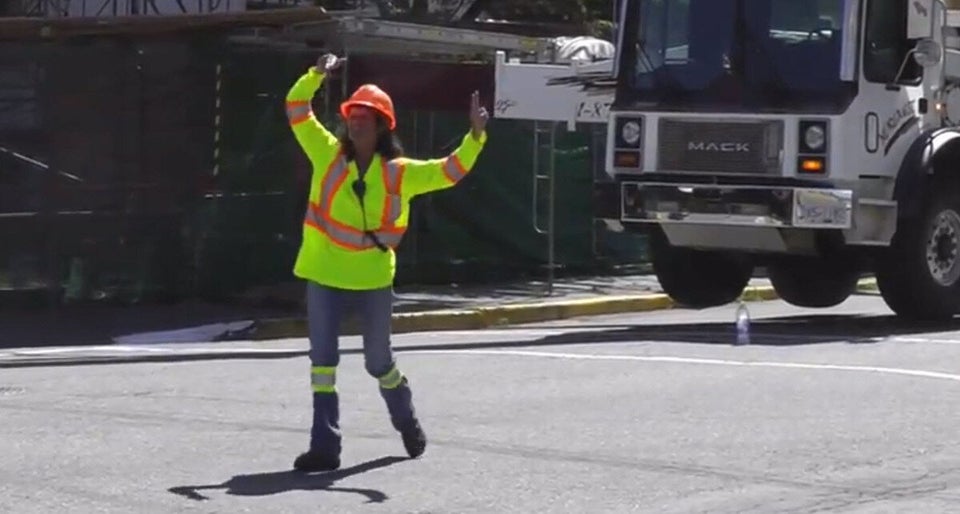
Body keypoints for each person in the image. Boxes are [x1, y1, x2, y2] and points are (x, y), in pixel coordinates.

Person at [284, 53, 489, 472]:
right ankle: (325, 447)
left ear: (381, 127)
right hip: (323, 274)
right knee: (322, 365)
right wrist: (316, 75)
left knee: (379, 363)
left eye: (367, 116)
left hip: (372, 279)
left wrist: (475, 136)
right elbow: (296, 108)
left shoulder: (397, 174)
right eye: (353, 114)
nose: (357, 121)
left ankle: (406, 420)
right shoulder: (326, 154)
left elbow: (449, 172)